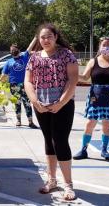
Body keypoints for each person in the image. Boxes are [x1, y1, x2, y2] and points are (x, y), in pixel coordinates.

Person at [24, 23, 79, 201]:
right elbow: (28, 81)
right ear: (38, 40)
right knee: (49, 140)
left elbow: (73, 79)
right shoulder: (34, 57)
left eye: (49, 36)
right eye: (42, 37)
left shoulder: (66, 54)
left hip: (63, 105)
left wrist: (61, 102)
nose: (45, 40)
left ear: (55, 36)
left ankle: (68, 185)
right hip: (41, 105)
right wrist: (34, 100)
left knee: (60, 141)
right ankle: (52, 180)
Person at [73, 37, 109, 161]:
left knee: (106, 125)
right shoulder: (93, 61)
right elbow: (84, 77)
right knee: (90, 124)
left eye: (108, 45)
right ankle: (83, 150)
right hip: (95, 97)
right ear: (99, 47)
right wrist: (73, 75)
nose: (106, 47)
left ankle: (104, 150)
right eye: (104, 45)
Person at [0, 37, 38, 128]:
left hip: (25, 85)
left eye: (14, 49)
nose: (13, 50)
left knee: (27, 103)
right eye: (11, 49)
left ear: (18, 50)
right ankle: (18, 121)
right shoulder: (8, 62)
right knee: (17, 103)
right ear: (10, 52)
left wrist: (36, 37)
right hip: (13, 85)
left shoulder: (24, 56)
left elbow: (30, 46)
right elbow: (3, 74)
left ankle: (30, 122)